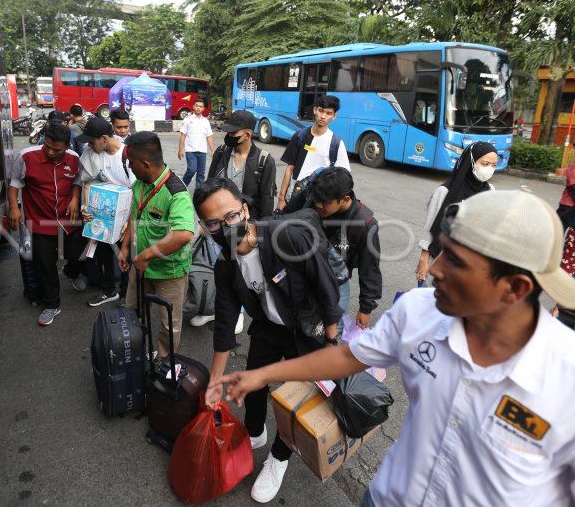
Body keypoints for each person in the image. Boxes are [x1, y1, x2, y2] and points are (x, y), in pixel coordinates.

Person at [213, 189, 575, 506]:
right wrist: (261, 375)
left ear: (515, 288)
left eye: (458, 262)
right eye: (441, 253)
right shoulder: (419, 313)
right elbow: (346, 357)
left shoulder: (566, 379)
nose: (435, 270)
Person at [195, 178, 343, 503]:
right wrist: (215, 381)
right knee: (252, 384)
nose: (225, 226)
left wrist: (330, 344)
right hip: (268, 326)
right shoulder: (224, 265)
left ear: (245, 210)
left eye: (231, 216)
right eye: (213, 222)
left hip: (306, 330)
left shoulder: (285, 237)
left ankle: (279, 458)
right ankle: (254, 432)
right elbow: (224, 323)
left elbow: (326, 287)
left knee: (294, 401)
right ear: (205, 226)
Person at [193, 109, 277, 332]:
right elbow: (208, 185)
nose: (229, 136)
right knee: (218, 268)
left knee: (241, 272)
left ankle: (239, 311)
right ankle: (212, 307)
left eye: (234, 132)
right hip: (217, 226)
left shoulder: (263, 161)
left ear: (248, 134)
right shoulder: (222, 151)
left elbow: (267, 201)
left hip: (244, 228)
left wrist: (261, 235)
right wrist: (204, 223)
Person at [118, 132, 195, 361]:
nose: (129, 167)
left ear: (146, 163)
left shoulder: (176, 192)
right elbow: (134, 216)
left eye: (131, 162)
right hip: (141, 266)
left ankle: (163, 365)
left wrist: (147, 255)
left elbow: (183, 234)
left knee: (170, 326)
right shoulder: (139, 184)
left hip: (168, 272)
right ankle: (134, 356)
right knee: (132, 313)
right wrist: (124, 248)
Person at [7, 121, 86, 326]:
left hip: (69, 219)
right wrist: (14, 208)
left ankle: (71, 271)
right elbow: (14, 183)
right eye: (47, 146)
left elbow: (77, 181)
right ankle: (52, 304)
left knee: (78, 254)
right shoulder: (26, 157)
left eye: (56, 149)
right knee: (45, 263)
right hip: (40, 221)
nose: (51, 152)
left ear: (67, 146)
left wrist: (75, 199)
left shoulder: (75, 158)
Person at [415, 141, 498, 282]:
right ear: (471, 162)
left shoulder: (490, 191)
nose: (490, 169)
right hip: (446, 259)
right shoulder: (444, 192)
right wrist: (424, 259)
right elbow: (431, 227)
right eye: (485, 164)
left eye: (493, 165)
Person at [312, 167, 381, 328]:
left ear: (345, 199)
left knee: (334, 332)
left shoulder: (365, 224)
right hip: (306, 278)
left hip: (336, 283)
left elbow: (369, 269)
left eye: (325, 202)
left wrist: (365, 309)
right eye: (317, 199)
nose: (318, 205)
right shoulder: (313, 205)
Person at [77, 117, 134, 307]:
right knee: (103, 253)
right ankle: (108, 290)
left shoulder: (128, 154)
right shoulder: (91, 153)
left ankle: (127, 294)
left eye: (92, 141)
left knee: (126, 255)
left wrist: (130, 221)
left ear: (104, 138)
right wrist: (87, 209)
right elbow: (88, 183)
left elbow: (140, 192)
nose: (89, 145)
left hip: (129, 213)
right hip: (104, 212)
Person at [277, 95, 350, 211]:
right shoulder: (299, 136)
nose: (323, 116)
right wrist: (281, 198)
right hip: (293, 196)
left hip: (319, 201)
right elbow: (289, 168)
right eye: (321, 111)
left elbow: (343, 178)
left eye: (328, 113)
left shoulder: (336, 143)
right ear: (315, 110)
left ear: (334, 116)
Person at [177, 99, 214, 189]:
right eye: (196, 106)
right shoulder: (187, 120)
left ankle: (198, 193)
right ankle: (182, 186)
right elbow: (183, 135)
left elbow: (209, 137)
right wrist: (180, 149)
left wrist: (213, 150)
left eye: (200, 106)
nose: (198, 108)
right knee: (192, 169)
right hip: (190, 150)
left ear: (203, 109)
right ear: (193, 106)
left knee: (201, 174)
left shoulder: (206, 121)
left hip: (202, 151)